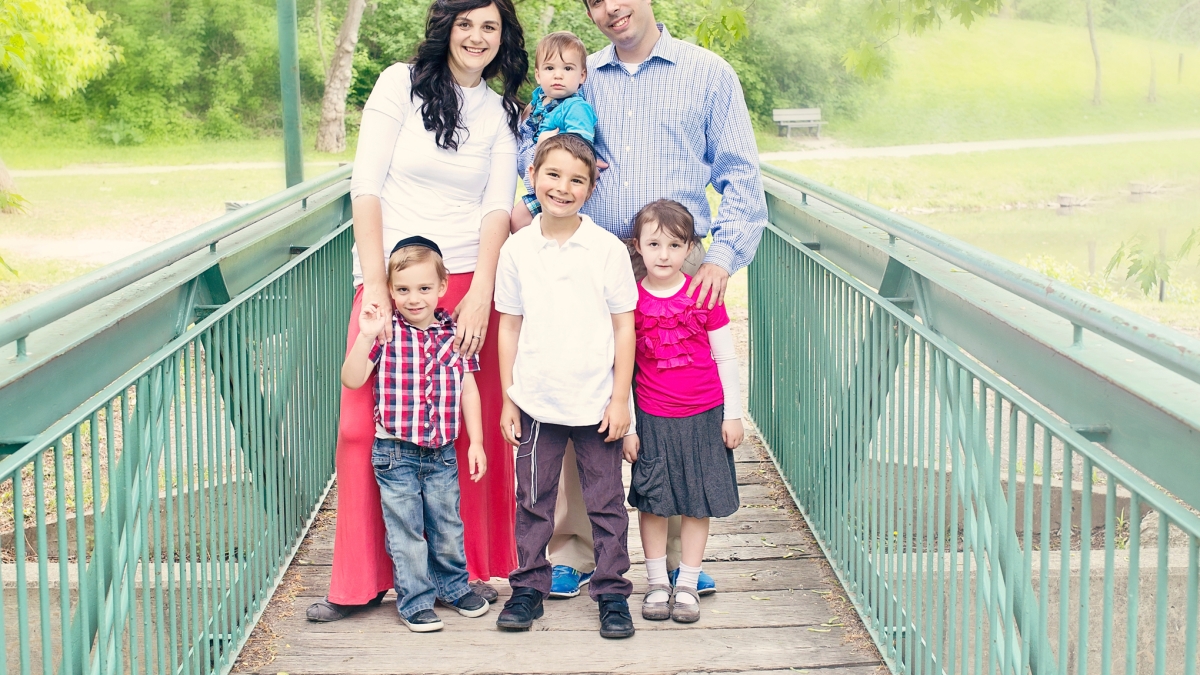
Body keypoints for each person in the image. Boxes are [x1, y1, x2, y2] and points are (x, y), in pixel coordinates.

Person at [532, 0, 769, 600]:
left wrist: (722, 254)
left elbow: (741, 171)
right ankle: (575, 549)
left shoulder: (708, 73)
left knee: (678, 402)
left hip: (681, 260)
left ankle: (675, 561)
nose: (611, 7)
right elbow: (536, 151)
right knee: (582, 392)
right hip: (600, 255)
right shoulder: (582, 76)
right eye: (595, 0)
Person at [307, 0, 527, 622]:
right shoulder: (397, 85)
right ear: (445, 28)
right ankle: (360, 582)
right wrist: (374, 282)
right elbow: (367, 186)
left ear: (502, 37)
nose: (477, 37)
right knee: (362, 430)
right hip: (393, 281)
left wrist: (483, 290)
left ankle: (461, 575)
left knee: (457, 431)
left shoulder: (501, 111)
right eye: (466, 24)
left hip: (462, 281)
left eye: (490, 27)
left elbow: (495, 206)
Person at [492, 134, 639, 639]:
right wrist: (510, 399)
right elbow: (508, 325)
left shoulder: (605, 250)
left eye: (577, 179)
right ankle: (528, 587)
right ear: (532, 176)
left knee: (605, 501)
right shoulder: (516, 249)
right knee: (533, 498)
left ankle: (612, 591)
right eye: (552, 175)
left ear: (591, 189)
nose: (563, 187)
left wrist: (621, 400)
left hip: (597, 401)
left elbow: (624, 326)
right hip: (536, 400)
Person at [340, 237, 493, 632]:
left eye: (424, 288)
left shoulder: (453, 334)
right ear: (391, 290)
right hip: (395, 454)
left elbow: (468, 388)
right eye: (403, 289)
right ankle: (414, 600)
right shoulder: (386, 335)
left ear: (442, 287)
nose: (413, 298)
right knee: (406, 532)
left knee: (447, 526)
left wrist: (475, 442)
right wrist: (365, 335)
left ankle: (454, 587)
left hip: (441, 452)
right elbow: (351, 378)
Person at [622, 200, 743, 623]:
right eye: (653, 244)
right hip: (652, 416)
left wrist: (733, 414)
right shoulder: (630, 301)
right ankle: (656, 582)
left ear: (690, 248)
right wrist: (630, 428)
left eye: (675, 245)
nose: (663, 254)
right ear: (637, 246)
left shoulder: (703, 294)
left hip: (704, 414)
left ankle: (687, 582)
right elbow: (625, 367)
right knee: (654, 502)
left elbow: (726, 357)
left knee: (697, 502)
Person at [510, 30, 598, 232]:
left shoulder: (575, 108)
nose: (558, 75)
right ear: (538, 75)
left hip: (557, 181)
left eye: (567, 68)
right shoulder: (538, 101)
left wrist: (548, 143)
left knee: (518, 220)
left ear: (582, 75)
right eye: (550, 68)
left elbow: (581, 147)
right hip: (536, 175)